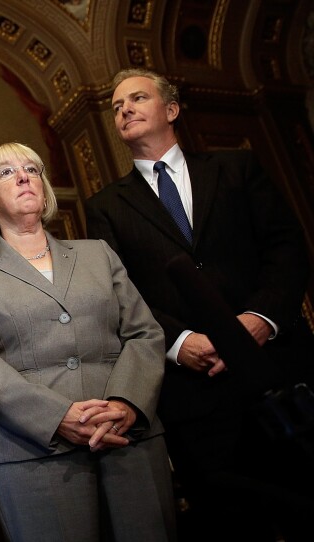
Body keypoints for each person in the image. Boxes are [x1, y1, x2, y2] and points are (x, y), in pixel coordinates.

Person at [85, 68, 314, 540]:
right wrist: (179, 341)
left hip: (279, 373)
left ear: (171, 110)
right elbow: (119, 290)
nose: (123, 109)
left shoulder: (235, 167)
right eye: (115, 106)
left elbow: (285, 247)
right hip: (195, 396)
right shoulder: (106, 205)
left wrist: (260, 319)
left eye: (137, 98)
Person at [0, 142, 176, 542]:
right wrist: (58, 417)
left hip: (129, 440)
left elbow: (144, 332)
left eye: (32, 169)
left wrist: (126, 402)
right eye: (6, 172)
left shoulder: (98, 254)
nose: (23, 176)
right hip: (33, 454)